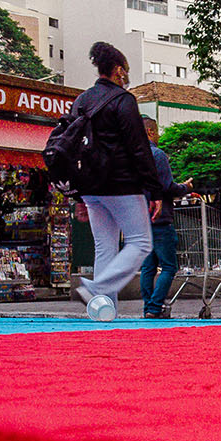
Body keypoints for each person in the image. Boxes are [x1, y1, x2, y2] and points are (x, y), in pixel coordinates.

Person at [72, 42, 162, 322]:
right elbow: (139, 148)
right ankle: (97, 289)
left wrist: (78, 196)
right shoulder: (124, 101)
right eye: (127, 71)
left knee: (105, 247)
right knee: (141, 242)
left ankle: (102, 310)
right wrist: (155, 189)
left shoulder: (82, 101)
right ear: (119, 70)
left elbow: (73, 146)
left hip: (89, 188)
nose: (128, 76)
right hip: (120, 183)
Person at [139, 117, 194, 319]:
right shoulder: (157, 155)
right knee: (169, 266)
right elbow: (166, 187)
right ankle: (155, 307)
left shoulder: (131, 157)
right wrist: (186, 188)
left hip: (140, 219)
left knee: (148, 266)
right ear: (151, 132)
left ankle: (148, 307)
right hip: (160, 218)